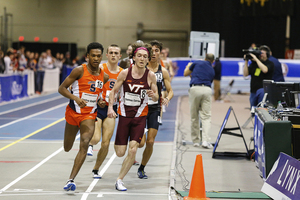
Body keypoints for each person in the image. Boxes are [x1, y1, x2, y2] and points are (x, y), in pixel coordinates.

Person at [107, 42, 158, 191]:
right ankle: (139, 138)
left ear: (148, 59)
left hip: (140, 117)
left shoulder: (151, 76)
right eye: (139, 56)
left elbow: (156, 98)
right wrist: (111, 107)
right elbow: (113, 92)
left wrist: (153, 95)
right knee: (120, 152)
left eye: (145, 57)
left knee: (133, 150)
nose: (142, 59)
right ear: (134, 57)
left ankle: (119, 180)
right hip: (124, 116)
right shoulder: (124, 73)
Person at [58, 42, 108, 192]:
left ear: (101, 57)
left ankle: (70, 180)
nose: (96, 58)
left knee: (85, 142)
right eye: (93, 55)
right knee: (67, 147)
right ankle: (70, 175)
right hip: (73, 114)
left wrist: (100, 101)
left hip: (89, 115)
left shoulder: (103, 76)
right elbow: (61, 89)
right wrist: (75, 98)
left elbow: (99, 94)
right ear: (87, 56)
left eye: (98, 56)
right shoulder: (79, 71)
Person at [137, 40, 173, 179]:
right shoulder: (140, 68)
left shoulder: (162, 71)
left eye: (157, 50)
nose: (154, 53)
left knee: (150, 141)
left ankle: (142, 168)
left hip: (154, 109)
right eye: (151, 50)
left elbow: (170, 91)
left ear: (160, 53)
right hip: (140, 108)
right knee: (140, 143)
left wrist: (167, 98)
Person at [87, 44, 123, 179]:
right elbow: (91, 87)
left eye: (116, 53)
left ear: (120, 56)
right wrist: (97, 100)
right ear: (106, 55)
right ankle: (88, 144)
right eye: (111, 52)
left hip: (111, 109)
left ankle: (96, 169)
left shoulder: (123, 72)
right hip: (97, 107)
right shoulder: (100, 69)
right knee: (96, 138)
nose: (113, 55)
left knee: (106, 142)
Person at [184, 53, 215, 148]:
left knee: (194, 116)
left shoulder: (197, 63)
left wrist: (188, 66)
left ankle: (196, 141)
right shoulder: (212, 70)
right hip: (207, 90)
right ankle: (205, 141)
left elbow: (186, 74)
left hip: (195, 89)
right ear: (213, 61)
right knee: (206, 117)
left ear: (205, 58)